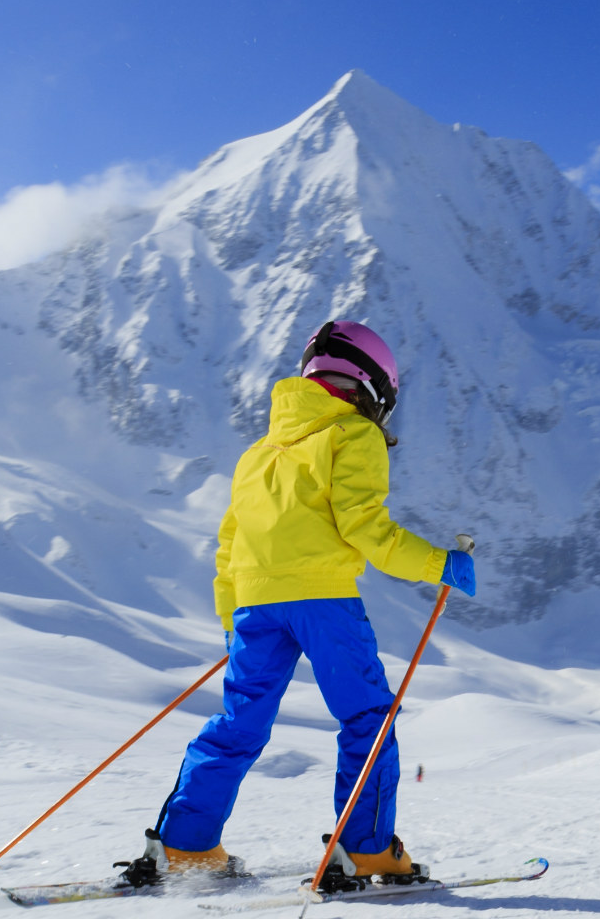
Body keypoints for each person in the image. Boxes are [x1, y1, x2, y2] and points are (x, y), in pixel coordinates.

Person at [122, 320, 476, 886]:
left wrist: (231, 622)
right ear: (373, 387)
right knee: (367, 718)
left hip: (256, 608)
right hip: (323, 601)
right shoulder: (352, 436)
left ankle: (185, 846)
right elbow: (366, 530)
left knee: (239, 723)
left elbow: (229, 550)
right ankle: (367, 851)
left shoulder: (256, 456)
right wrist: (440, 564)